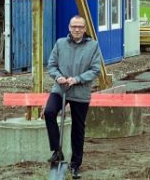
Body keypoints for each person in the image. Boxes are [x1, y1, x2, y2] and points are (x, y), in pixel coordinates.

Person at [44, 15, 103, 179]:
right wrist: (58, 77)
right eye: (73, 26)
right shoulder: (60, 43)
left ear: (84, 29)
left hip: (80, 92)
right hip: (60, 89)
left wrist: (77, 79)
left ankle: (75, 165)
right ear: (69, 28)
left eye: (80, 27)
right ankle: (57, 150)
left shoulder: (93, 46)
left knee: (78, 129)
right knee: (49, 112)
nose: (76, 29)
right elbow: (51, 65)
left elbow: (95, 70)